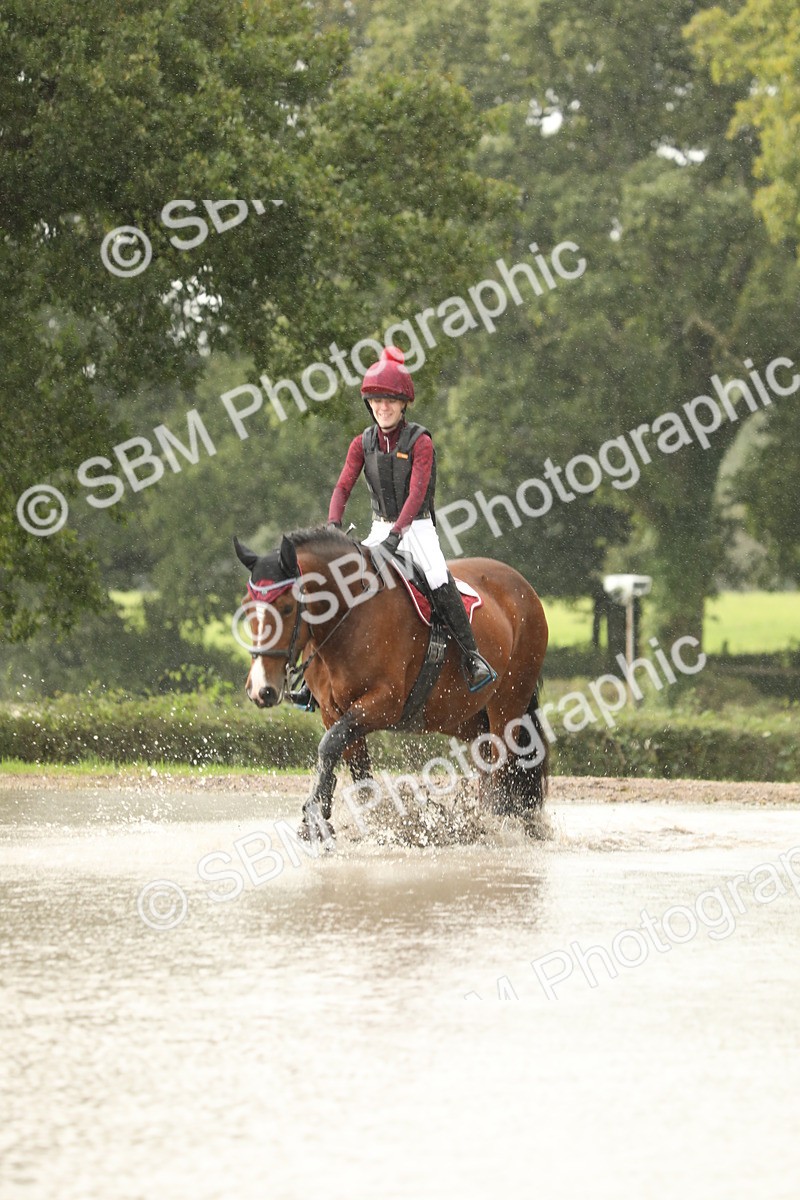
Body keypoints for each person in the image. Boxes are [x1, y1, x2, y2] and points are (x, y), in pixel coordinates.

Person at [327, 345, 495, 692]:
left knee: (436, 577)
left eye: (389, 400)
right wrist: (333, 525)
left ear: (403, 404)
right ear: (369, 404)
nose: (382, 407)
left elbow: (417, 493)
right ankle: (320, 675)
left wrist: (397, 535)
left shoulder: (420, 442)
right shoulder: (362, 443)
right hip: (380, 527)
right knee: (344, 581)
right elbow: (343, 486)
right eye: (376, 400)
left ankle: (472, 657)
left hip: (417, 528)